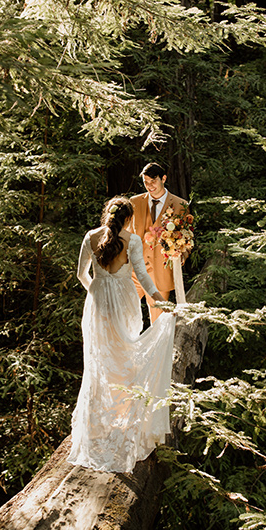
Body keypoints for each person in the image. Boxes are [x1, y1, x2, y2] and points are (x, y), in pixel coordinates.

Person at [67, 196, 176, 474]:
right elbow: (142, 273)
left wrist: (97, 290)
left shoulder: (90, 237)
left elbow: (81, 274)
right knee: (127, 353)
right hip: (125, 302)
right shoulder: (133, 240)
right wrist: (160, 302)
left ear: (108, 215)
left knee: (98, 359)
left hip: (98, 301)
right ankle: (125, 418)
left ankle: (98, 424)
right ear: (129, 218)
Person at [130, 162, 190, 323]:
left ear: (163, 178)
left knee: (159, 323)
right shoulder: (134, 203)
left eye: (153, 181)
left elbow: (187, 237)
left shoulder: (180, 205)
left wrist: (181, 255)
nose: (149, 186)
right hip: (133, 272)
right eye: (146, 183)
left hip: (161, 272)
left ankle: (159, 349)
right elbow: (126, 235)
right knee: (123, 315)